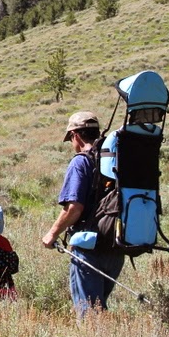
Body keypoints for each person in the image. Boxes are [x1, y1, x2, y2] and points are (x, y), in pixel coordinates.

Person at [41, 110, 125, 316]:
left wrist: (52, 234)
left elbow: (74, 208)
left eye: (70, 138)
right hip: (116, 244)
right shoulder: (115, 160)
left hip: (89, 249)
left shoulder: (81, 162)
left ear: (75, 135)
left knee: (89, 314)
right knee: (99, 309)